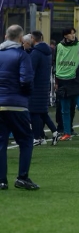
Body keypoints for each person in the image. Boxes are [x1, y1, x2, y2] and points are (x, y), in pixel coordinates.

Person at [0, 24, 39, 190]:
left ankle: (1, 181)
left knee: (1, 143)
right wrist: (26, 96)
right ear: (21, 38)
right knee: (26, 140)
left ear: (5, 36)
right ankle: (22, 177)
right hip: (17, 104)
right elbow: (26, 80)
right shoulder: (22, 55)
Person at [27, 30, 59, 146]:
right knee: (42, 112)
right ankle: (53, 133)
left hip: (36, 86)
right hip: (44, 85)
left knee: (34, 112)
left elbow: (31, 71)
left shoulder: (36, 53)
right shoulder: (47, 52)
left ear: (32, 38)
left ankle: (37, 138)